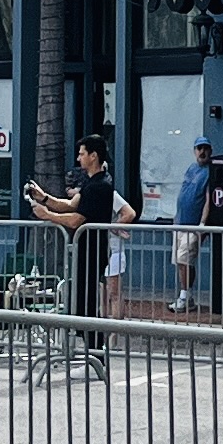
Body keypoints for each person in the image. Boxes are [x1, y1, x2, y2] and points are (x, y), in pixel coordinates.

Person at [25, 132, 135, 320]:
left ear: (94, 156)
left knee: (88, 300)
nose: (78, 158)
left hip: (94, 249)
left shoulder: (100, 186)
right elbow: (69, 204)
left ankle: (94, 342)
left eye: (82, 153)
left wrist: (48, 215)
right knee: (83, 297)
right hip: (86, 247)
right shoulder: (91, 183)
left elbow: (77, 219)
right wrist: (43, 197)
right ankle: (88, 339)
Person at [165, 136, 214, 312]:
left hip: (193, 225)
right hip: (180, 223)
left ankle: (184, 296)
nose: (202, 151)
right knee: (181, 262)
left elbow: (208, 200)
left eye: (205, 148)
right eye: (199, 148)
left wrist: (202, 224)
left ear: (210, 151)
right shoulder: (192, 168)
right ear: (194, 151)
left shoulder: (211, 172)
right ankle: (188, 296)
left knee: (184, 259)